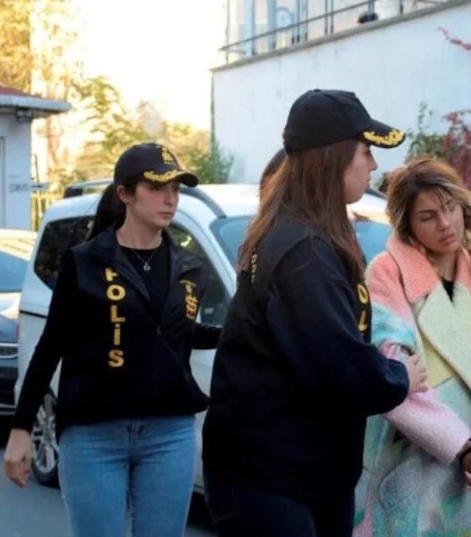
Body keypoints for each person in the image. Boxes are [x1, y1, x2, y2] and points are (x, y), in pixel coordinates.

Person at [201, 89, 427, 537]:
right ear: (333, 156)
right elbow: (336, 360)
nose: (373, 165)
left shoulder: (308, 235)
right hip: (271, 479)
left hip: (304, 473)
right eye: (366, 151)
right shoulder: (301, 250)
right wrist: (398, 377)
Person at [3, 142, 222, 537]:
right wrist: (21, 430)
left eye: (176, 189)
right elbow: (51, 346)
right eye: (157, 187)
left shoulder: (190, 268)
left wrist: (240, 333)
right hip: (94, 434)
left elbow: (176, 334)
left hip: (169, 434)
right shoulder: (85, 262)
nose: (170, 199)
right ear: (125, 193)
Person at [354, 158, 471, 536]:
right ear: (407, 225)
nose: (445, 223)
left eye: (450, 208)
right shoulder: (386, 275)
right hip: (410, 470)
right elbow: (392, 373)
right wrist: (460, 445)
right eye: (428, 216)